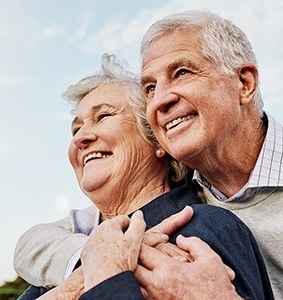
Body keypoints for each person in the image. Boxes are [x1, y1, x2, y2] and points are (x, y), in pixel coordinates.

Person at [14, 54, 272, 299]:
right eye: (76, 129)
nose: (80, 138)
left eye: (103, 116)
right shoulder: (67, 257)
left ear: (157, 139)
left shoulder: (202, 229)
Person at [138, 10, 283, 299]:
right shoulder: (171, 190)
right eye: (150, 88)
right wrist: (89, 259)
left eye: (182, 72)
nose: (160, 101)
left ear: (244, 84)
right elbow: (61, 231)